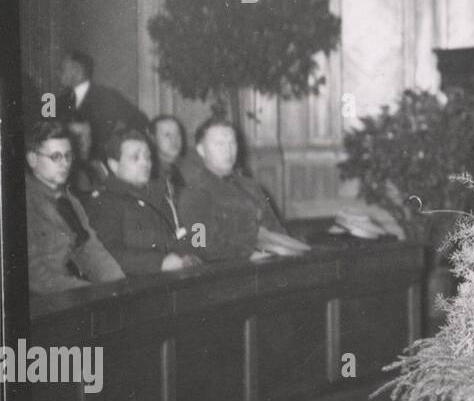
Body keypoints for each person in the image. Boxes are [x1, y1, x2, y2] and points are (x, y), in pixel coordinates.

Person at [179, 117, 311, 263]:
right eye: (219, 144)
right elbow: (200, 245)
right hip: (228, 271)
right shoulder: (195, 193)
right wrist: (250, 252)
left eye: (232, 143)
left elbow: (275, 229)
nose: (228, 150)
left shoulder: (251, 186)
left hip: (268, 262)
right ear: (201, 150)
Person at [24, 121, 124, 293]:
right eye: (55, 157)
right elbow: (36, 278)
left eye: (68, 156)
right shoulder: (23, 203)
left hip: (74, 294)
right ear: (32, 159)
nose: (64, 164)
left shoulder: (69, 200)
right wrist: (91, 292)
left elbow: (90, 248)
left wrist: (120, 286)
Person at [84, 128, 200, 276]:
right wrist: (160, 263)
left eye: (147, 157)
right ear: (114, 165)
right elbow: (107, 255)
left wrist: (189, 253)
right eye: (135, 158)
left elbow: (181, 234)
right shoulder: (105, 203)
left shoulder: (160, 195)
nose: (145, 163)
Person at [57, 51, 148, 161]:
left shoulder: (108, 96)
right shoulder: (60, 100)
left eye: (62, 69)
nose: (58, 73)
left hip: (100, 164)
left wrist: (116, 145)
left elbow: (140, 120)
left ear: (77, 70)